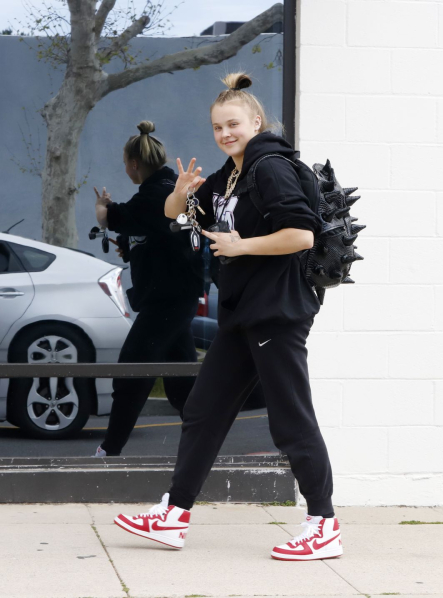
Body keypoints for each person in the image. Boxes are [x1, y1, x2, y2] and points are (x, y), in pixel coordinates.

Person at [114, 76, 342, 561]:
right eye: (218, 126)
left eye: (233, 124)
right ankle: (173, 516)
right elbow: (176, 214)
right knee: (202, 409)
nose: (225, 133)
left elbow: (300, 235)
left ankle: (323, 523)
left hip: (276, 313)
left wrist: (242, 245)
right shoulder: (230, 175)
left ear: (255, 122)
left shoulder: (270, 168)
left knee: (290, 419)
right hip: (243, 315)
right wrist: (179, 191)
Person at [93, 121, 203, 457]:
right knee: (182, 385)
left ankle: (108, 452)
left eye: (126, 163)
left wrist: (103, 212)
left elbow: (119, 217)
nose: (125, 169)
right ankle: (203, 451)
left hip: (166, 301)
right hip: (175, 298)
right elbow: (156, 234)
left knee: (131, 372)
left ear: (135, 164)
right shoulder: (166, 188)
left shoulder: (156, 194)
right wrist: (131, 246)